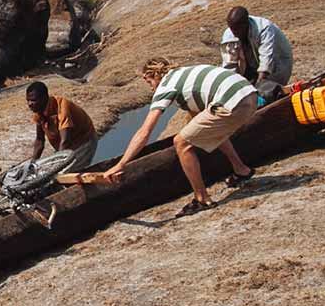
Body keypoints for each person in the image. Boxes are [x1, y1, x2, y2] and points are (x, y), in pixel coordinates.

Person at [105, 58, 257, 217]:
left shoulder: (165, 86)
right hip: (249, 94)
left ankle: (201, 198)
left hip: (232, 102)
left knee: (181, 142)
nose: (150, 86)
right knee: (210, 131)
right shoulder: (183, 75)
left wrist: (121, 164)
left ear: (155, 75)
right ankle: (241, 169)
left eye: (149, 81)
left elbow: (145, 131)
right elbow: (201, 122)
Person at [25, 81, 99, 175]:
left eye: (33, 100)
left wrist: (57, 165)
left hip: (84, 143)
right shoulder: (38, 112)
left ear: (44, 98)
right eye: (28, 100)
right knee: (42, 171)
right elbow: (40, 141)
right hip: (66, 148)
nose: (30, 104)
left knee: (59, 174)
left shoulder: (62, 107)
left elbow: (65, 141)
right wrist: (32, 163)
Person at [221, 7, 294, 99]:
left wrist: (259, 88)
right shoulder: (229, 35)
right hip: (251, 65)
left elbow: (266, 61)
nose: (234, 32)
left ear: (246, 24)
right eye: (232, 29)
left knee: (269, 93)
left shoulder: (264, 29)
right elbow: (229, 66)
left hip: (277, 63)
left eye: (237, 29)